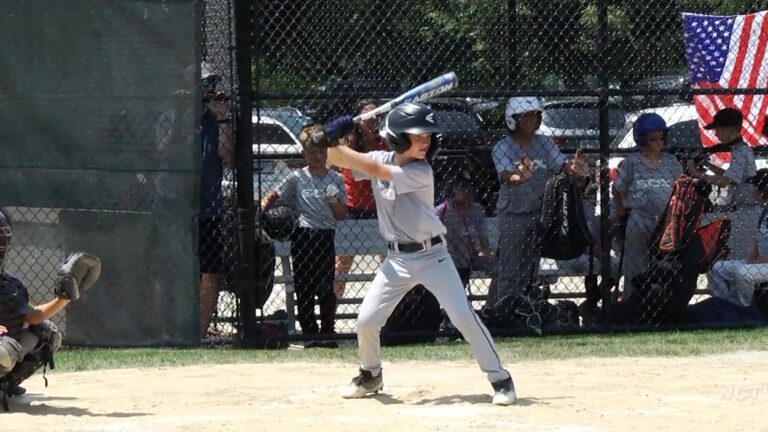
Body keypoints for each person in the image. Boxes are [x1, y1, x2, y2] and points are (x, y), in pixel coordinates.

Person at [321, 102, 516, 406]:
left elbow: (374, 170)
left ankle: (500, 379)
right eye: (417, 136)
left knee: (463, 316)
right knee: (367, 321)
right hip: (396, 260)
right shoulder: (379, 156)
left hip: (432, 257)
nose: (426, 142)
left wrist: (335, 140)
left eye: (428, 136)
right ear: (397, 137)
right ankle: (370, 375)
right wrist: (331, 138)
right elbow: (334, 158)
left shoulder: (420, 170)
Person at [0, 207, 101, 406]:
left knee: (48, 333)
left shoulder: (11, 284)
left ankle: (6, 384)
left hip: (5, 349)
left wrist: (63, 298)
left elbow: (33, 316)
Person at [491, 96, 588, 302]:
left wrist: (575, 171)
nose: (530, 121)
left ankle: (524, 310)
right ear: (512, 119)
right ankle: (504, 312)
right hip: (513, 215)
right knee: (510, 269)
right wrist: (519, 176)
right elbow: (506, 176)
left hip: (540, 213)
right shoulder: (502, 147)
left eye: (534, 116)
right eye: (525, 117)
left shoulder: (545, 143)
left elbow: (562, 168)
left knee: (530, 269)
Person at [259, 126, 348, 347]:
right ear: (304, 154)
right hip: (303, 237)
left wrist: (333, 201)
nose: (318, 157)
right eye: (313, 153)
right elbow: (275, 194)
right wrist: (260, 208)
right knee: (305, 287)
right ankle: (311, 334)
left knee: (326, 288)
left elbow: (341, 214)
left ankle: (328, 332)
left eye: (321, 152)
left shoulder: (335, 179)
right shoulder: (297, 177)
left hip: (324, 236)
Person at [612, 113, 683, 298]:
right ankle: (632, 302)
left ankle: (663, 303)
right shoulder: (632, 162)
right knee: (636, 264)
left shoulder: (671, 162)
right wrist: (621, 211)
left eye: (662, 138)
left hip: (667, 220)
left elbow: (681, 188)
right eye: (653, 139)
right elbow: (618, 189)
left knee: (666, 264)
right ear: (642, 140)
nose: (659, 143)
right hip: (640, 218)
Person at [687, 107, 758, 260]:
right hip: (745, 209)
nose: (716, 133)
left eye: (718, 129)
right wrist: (708, 166)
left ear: (729, 129)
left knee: (740, 257)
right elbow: (731, 175)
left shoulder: (740, 151)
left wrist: (697, 173)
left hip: (748, 210)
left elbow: (728, 181)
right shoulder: (740, 150)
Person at [334, 99, 387, 299]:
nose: (373, 119)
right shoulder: (348, 142)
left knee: (388, 258)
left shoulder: (384, 142)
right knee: (343, 262)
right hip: (353, 208)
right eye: (368, 115)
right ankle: (333, 308)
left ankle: (393, 309)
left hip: (379, 207)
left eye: (376, 115)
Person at [198, 62, 234, 338]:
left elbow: (226, 155)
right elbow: (163, 150)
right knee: (172, 268)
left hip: (209, 206)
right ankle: (170, 329)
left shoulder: (216, 120)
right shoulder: (170, 115)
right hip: (175, 207)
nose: (209, 89)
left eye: (211, 83)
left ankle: (199, 331)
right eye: (204, 84)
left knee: (210, 271)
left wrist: (221, 117)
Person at [706, 169, 768, 307]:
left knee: (742, 272)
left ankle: (743, 309)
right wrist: (751, 260)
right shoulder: (764, 211)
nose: (753, 191)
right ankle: (724, 305)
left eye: (755, 187)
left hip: (764, 263)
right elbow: (757, 241)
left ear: (761, 191)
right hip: (760, 262)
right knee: (714, 267)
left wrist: (756, 263)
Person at [435, 176, 494, 291]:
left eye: (470, 191)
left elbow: (483, 235)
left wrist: (485, 250)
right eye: (463, 191)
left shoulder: (476, 209)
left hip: (475, 252)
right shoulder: (441, 211)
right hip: (451, 254)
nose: (468, 195)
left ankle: (493, 304)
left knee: (499, 269)